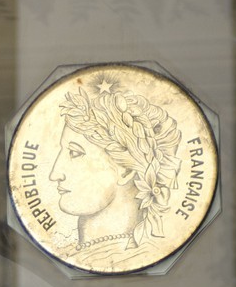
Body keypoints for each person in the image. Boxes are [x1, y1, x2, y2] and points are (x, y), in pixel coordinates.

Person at [48, 76, 182, 270]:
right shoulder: (72, 254)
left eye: (75, 153)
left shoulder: (135, 257)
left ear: (126, 169)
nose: (55, 173)